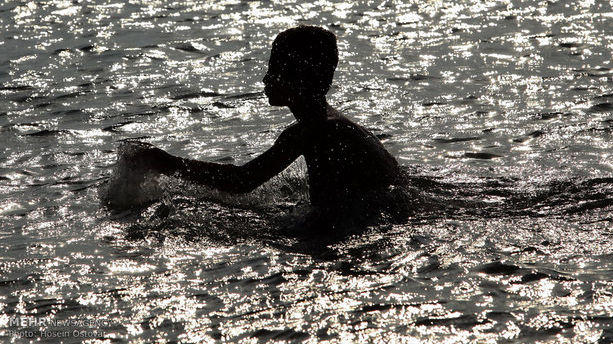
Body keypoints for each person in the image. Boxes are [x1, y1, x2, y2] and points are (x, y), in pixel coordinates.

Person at [129, 26, 406, 217]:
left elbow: (242, 181)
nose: (265, 79)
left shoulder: (315, 130)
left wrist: (166, 162)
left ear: (299, 76)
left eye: (274, 69)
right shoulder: (334, 124)